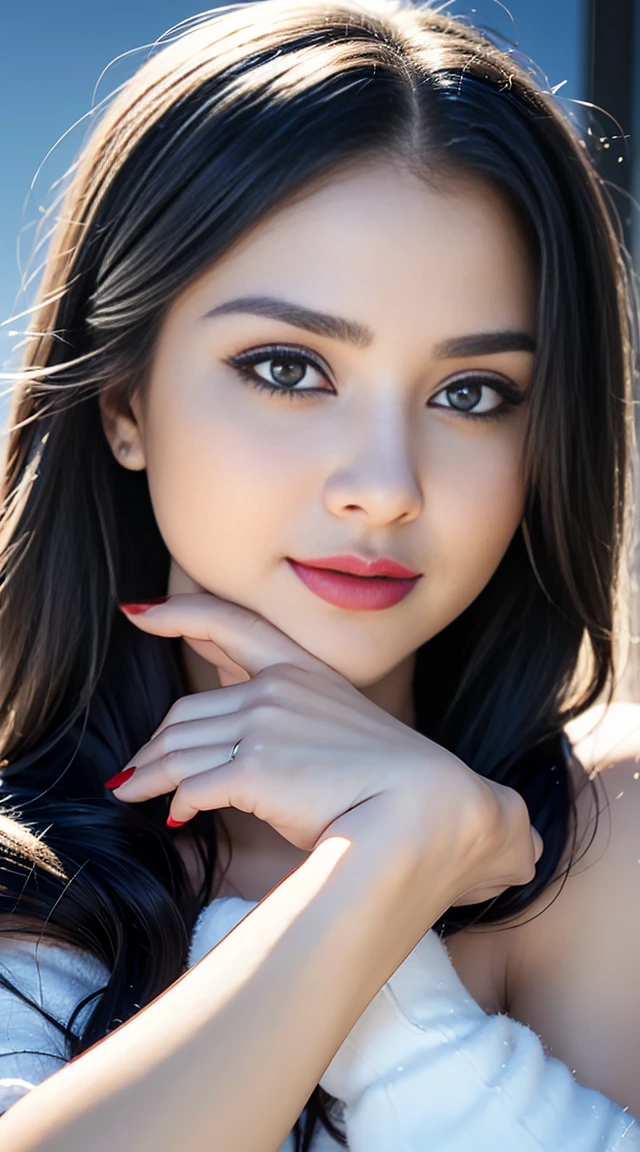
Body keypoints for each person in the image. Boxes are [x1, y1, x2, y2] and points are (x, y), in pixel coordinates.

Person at [0, 0, 638, 1147]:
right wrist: (386, 860)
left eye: (472, 393)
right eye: (288, 368)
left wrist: (401, 988)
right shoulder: (17, 865)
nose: (385, 485)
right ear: (124, 398)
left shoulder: (609, 830)